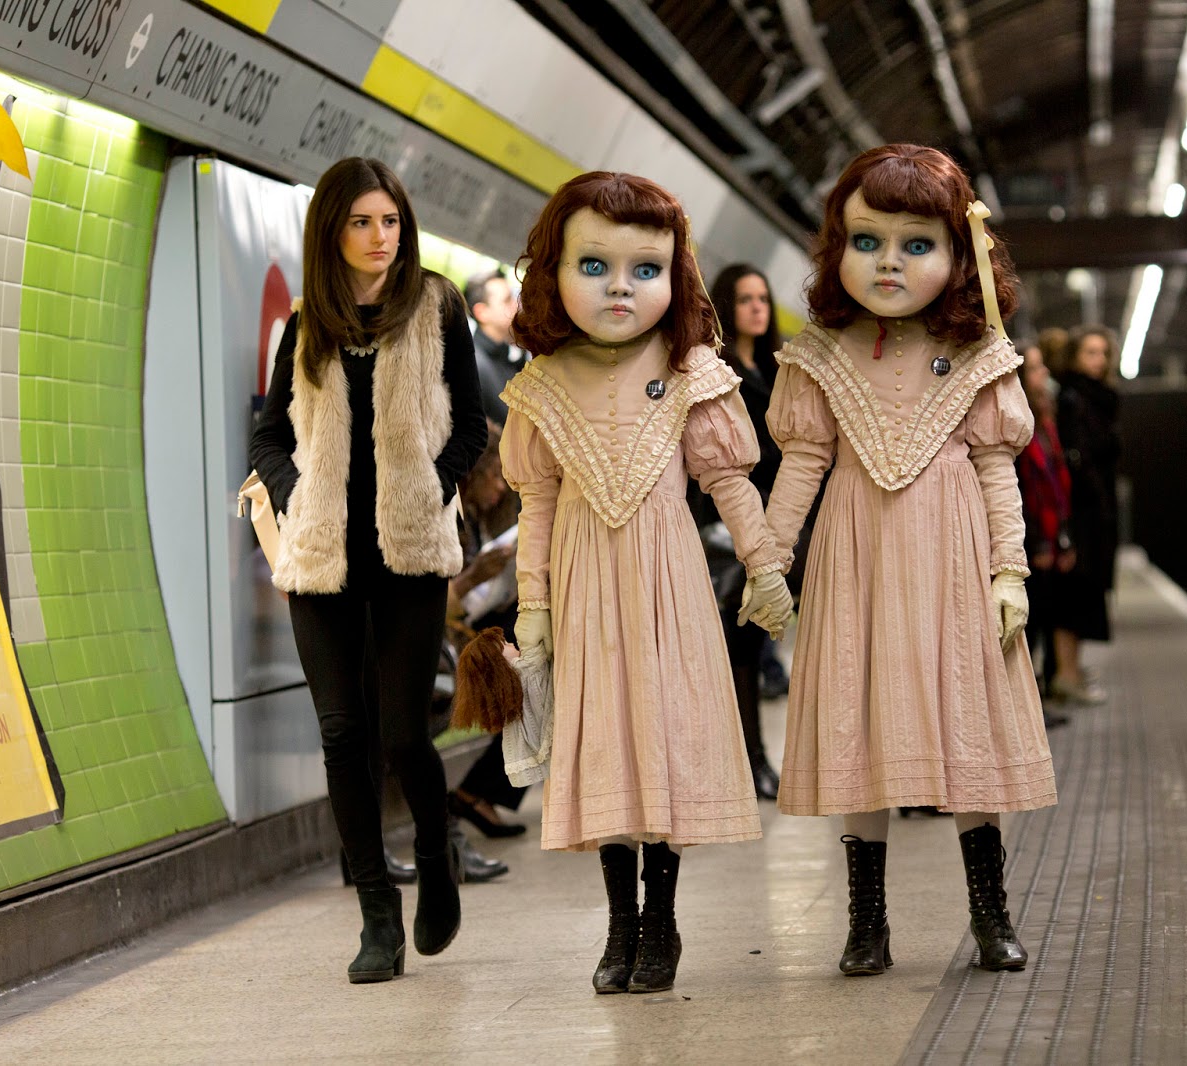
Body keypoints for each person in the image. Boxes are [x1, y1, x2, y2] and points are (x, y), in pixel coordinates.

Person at [755, 144, 1057, 977]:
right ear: (836, 248)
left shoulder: (981, 354)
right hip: (854, 555)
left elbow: (997, 470)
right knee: (858, 723)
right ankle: (866, 924)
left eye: (916, 245)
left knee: (970, 725)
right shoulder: (819, 354)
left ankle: (991, 915)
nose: (889, 262)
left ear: (962, 256)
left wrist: (1008, 571)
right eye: (868, 242)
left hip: (955, 556)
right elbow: (802, 465)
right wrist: (769, 561)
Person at [499, 171, 792, 994]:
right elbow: (538, 504)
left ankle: (659, 920)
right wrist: (534, 603)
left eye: (646, 269)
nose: (620, 287)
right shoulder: (543, 384)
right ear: (553, 273)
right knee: (603, 745)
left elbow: (730, 481)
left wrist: (765, 565)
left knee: (661, 739)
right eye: (595, 266)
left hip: (669, 586)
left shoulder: (693, 370)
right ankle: (618, 924)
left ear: (676, 274)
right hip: (584, 591)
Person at [248, 157, 487, 983]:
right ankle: (376, 914)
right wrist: (298, 496)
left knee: (403, 733)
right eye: (361, 222)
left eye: (389, 221)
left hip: (408, 553)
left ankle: (436, 851)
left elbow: (471, 425)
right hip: (323, 557)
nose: (379, 237)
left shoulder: (436, 307)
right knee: (341, 733)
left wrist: (432, 487)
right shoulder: (307, 325)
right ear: (333, 231)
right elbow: (269, 435)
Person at [702, 263, 786, 799]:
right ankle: (749, 761)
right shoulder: (717, 370)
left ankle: (754, 761)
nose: (757, 307)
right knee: (739, 648)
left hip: (777, 523)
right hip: (730, 526)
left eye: (763, 298)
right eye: (744, 299)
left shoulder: (777, 371)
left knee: (750, 648)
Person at [446, 424, 530, 839]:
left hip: (478, 626)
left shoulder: (479, 516)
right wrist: (474, 577)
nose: (499, 487)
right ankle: (475, 793)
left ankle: (479, 793)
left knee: (541, 675)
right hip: (449, 642)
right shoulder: (445, 516)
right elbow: (434, 607)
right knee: (535, 685)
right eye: (493, 475)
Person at [1053, 325, 1121, 705]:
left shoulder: (1097, 398)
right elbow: (1077, 456)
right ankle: (1066, 673)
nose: (1098, 360)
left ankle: (1073, 670)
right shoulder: (1074, 398)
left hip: (1095, 507)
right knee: (1075, 590)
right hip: (1081, 509)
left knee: (1086, 588)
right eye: (1090, 353)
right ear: (1075, 357)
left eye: (1102, 353)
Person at [1015, 343, 1073, 728]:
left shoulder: (1045, 420)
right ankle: (1029, 706)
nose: (1044, 375)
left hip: (1050, 534)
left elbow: (1054, 484)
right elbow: (1022, 488)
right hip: (1030, 538)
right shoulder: (1020, 424)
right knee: (1031, 621)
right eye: (1035, 369)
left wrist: (1063, 536)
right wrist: (1036, 540)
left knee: (1046, 614)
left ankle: (1040, 696)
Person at [464, 269, 528, 425]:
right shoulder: (474, 366)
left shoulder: (505, 357)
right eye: (507, 300)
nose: (516, 305)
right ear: (482, 312)